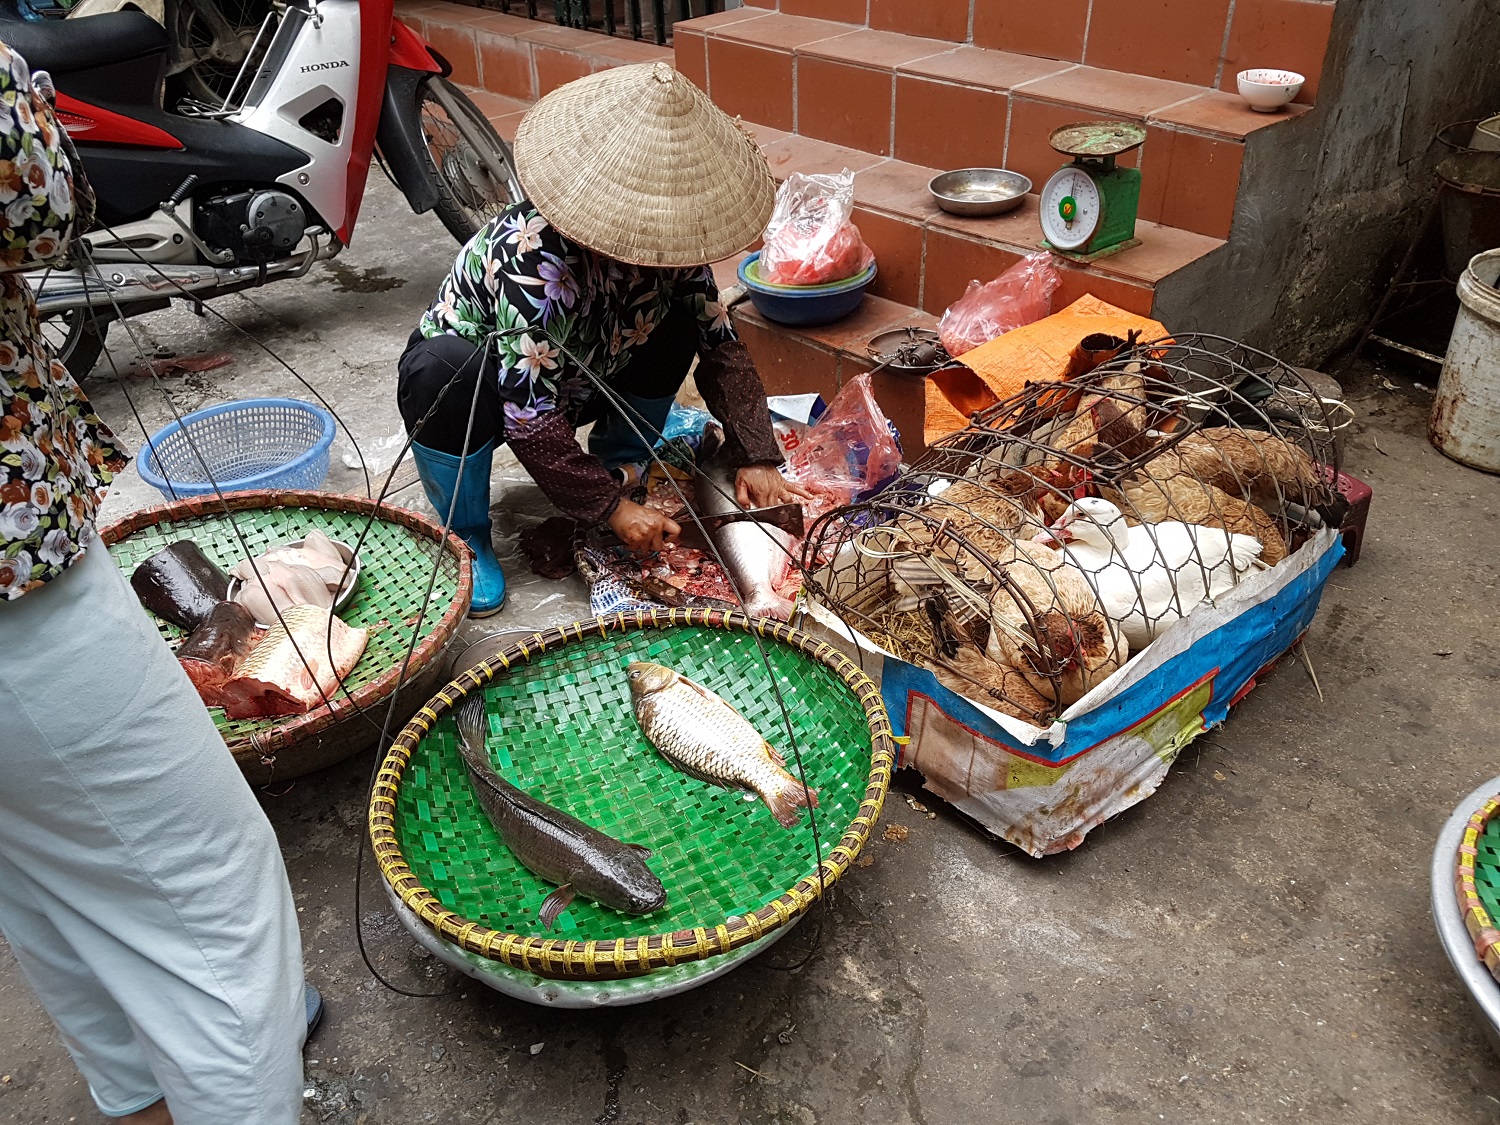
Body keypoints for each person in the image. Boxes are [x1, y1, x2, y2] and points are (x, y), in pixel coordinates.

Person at [0, 42, 311, 1124]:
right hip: (16, 592)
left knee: (44, 870)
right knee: (215, 893)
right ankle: (230, 1076)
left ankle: (148, 1097)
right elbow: (36, 197)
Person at [398, 61, 807, 617]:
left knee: (681, 323)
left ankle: (624, 466)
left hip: (584, 377)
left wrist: (756, 454)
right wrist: (607, 508)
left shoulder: (674, 250)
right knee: (442, 368)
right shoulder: (531, 258)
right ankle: (465, 533)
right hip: (489, 394)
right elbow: (527, 414)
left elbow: (720, 345)